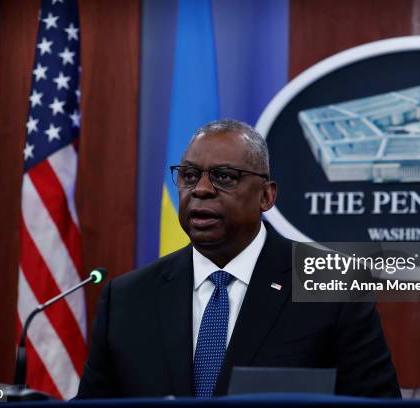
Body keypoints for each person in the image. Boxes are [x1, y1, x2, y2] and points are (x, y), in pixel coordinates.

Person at [76, 119, 401, 398]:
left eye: (225, 177)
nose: (201, 189)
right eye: (189, 176)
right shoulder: (128, 299)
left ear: (266, 195)